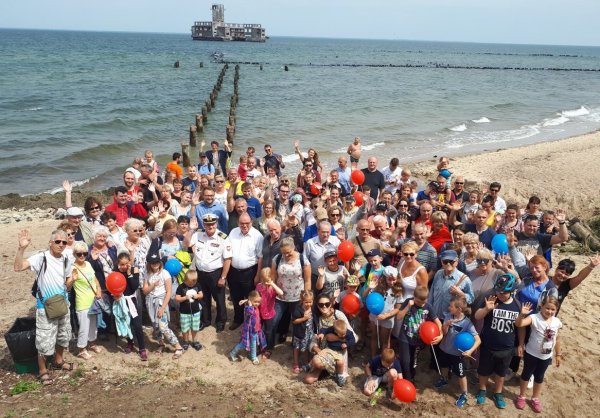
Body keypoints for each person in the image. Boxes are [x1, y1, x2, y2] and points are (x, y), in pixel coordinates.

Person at [14, 229, 75, 385]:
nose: (61, 245)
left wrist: (71, 281)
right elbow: (18, 267)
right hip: (44, 306)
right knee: (44, 339)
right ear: (50, 242)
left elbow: (67, 281)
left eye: (64, 242)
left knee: (63, 335)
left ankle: (58, 360)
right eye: (57, 242)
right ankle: (42, 370)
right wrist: (21, 248)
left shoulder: (67, 259)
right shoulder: (41, 258)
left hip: (62, 303)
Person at [473, 274, 521, 409]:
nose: (499, 294)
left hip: (507, 347)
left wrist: (520, 344)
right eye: (498, 290)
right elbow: (477, 316)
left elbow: (520, 327)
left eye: (503, 292)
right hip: (488, 344)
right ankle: (482, 389)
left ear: (511, 291)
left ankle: (498, 392)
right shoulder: (491, 300)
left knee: (501, 373)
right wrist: (486, 309)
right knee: (483, 371)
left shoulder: (517, 305)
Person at [515, 295, 562, 413]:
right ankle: (521, 396)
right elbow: (519, 324)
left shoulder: (557, 322)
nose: (550, 311)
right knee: (526, 375)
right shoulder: (534, 317)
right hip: (531, 354)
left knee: (539, 377)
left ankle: (535, 398)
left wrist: (558, 354)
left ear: (556, 310)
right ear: (541, 306)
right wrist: (522, 314)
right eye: (547, 308)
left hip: (546, 356)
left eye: (553, 309)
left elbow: (558, 338)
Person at [188, 213, 232, 333]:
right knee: (203, 298)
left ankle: (220, 321)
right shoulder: (197, 234)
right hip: (200, 273)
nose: (210, 226)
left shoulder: (222, 237)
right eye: (207, 224)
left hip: (216, 273)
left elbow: (228, 259)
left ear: (216, 223)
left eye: (212, 223)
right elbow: (186, 244)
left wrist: (223, 277)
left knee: (219, 299)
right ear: (203, 224)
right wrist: (191, 230)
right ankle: (206, 320)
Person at [434, 294, 481, 408]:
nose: (449, 308)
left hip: (457, 354)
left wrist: (470, 351)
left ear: (459, 309)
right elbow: (444, 333)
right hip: (445, 348)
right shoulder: (448, 316)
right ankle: (444, 379)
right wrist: (445, 325)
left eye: (451, 306)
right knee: (444, 365)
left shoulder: (467, 323)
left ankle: (464, 394)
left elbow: (478, 340)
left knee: (460, 374)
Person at [395, 286, 442, 381]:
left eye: (423, 302)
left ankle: (410, 376)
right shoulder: (408, 302)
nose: (421, 304)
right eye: (418, 302)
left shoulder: (428, 306)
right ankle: (407, 380)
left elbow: (438, 322)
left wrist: (441, 335)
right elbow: (398, 317)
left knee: (412, 360)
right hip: (405, 337)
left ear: (427, 299)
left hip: (418, 339)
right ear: (414, 297)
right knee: (405, 360)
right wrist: (408, 306)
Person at [142, 252, 184, 358]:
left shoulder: (165, 273)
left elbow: (169, 292)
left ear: (160, 262)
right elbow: (145, 291)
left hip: (161, 301)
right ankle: (161, 344)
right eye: (152, 262)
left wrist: (163, 307)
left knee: (163, 326)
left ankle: (178, 346)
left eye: (157, 262)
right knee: (155, 325)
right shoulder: (146, 273)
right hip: (150, 301)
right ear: (149, 263)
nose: (155, 264)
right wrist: (152, 285)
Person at [227, 214, 263, 330]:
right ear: (238, 223)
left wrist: (257, 275)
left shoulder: (257, 236)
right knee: (235, 296)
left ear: (251, 223)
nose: (244, 225)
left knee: (250, 298)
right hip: (233, 272)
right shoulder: (233, 232)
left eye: (247, 223)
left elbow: (260, 257)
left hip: (249, 272)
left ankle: (250, 322)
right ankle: (238, 319)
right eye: (242, 223)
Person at [272, 237, 311, 344]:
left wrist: (306, 297)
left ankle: (296, 342)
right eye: (283, 253)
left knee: (297, 321)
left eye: (288, 252)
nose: (286, 255)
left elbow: (307, 280)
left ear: (294, 247)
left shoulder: (303, 260)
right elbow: (273, 277)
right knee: (274, 320)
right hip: (280, 297)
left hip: (298, 297)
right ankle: (274, 340)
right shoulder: (277, 258)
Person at [70, 241, 103, 360]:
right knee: (84, 326)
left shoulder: (88, 264)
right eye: (79, 254)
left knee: (93, 325)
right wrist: (72, 280)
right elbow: (67, 286)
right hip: (82, 301)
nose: (82, 256)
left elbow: (95, 279)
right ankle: (81, 349)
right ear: (74, 254)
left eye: (84, 253)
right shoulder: (73, 268)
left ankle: (92, 343)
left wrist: (99, 289)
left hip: (93, 300)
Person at [363, 266, 403, 358]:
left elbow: (397, 308)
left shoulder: (397, 289)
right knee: (374, 337)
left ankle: (384, 361)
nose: (392, 282)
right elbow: (364, 296)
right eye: (389, 280)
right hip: (374, 316)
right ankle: (373, 358)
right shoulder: (377, 286)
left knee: (385, 340)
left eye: (394, 280)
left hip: (387, 319)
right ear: (384, 278)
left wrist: (386, 315)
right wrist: (369, 288)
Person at [115, 252, 147, 361]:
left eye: (126, 264)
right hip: (121, 301)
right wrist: (115, 296)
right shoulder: (115, 272)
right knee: (127, 324)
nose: (124, 267)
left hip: (132, 300)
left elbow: (134, 286)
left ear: (130, 262)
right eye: (122, 264)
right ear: (118, 263)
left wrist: (129, 273)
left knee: (137, 325)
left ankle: (142, 348)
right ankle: (130, 342)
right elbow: (113, 286)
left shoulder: (134, 270)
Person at [429, 250, 474, 321]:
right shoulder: (438, 273)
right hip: (435, 317)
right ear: (441, 262)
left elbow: (471, 299)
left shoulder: (464, 279)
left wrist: (461, 294)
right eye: (445, 261)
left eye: (451, 261)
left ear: (457, 261)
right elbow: (431, 295)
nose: (448, 264)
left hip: (451, 320)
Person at [311, 319, 356, 386]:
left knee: (340, 362)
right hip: (329, 348)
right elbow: (324, 329)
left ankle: (340, 375)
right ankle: (309, 365)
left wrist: (347, 344)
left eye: (344, 333)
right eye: (341, 334)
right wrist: (322, 334)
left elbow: (353, 340)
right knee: (321, 354)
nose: (344, 335)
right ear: (335, 331)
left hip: (339, 351)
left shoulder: (348, 333)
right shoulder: (332, 329)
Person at [228, 291, 266, 365]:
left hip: (255, 329)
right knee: (243, 343)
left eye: (259, 302)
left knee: (253, 343)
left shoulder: (255, 307)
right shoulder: (248, 308)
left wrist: (248, 300)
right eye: (255, 302)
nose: (257, 303)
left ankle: (253, 356)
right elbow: (250, 312)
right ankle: (233, 354)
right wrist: (249, 303)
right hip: (249, 331)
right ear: (250, 301)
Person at [255, 267, 284, 357]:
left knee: (269, 331)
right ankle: (261, 346)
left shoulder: (272, 288)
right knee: (259, 330)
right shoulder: (259, 286)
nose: (265, 282)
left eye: (268, 279)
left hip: (269, 314)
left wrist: (272, 284)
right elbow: (256, 296)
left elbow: (281, 293)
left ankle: (269, 348)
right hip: (260, 313)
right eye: (263, 279)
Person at [174, 270, 203, 351]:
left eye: (193, 283)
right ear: (185, 280)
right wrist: (185, 298)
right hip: (184, 313)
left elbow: (201, 294)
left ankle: (195, 341)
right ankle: (186, 341)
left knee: (195, 328)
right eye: (189, 283)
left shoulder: (197, 285)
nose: (191, 285)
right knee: (185, 328)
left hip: (196, 312)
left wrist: (197, 296)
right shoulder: (181, 287)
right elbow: (177, 298)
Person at [291, 290, 315, 373]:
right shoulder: (298, 309)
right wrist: (304, 318)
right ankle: (296, 363)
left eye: (310, 302)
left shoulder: (313, 308)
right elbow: (294, 321)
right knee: (297, 348)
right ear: (302, 301)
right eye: (306, 302)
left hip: (309, 332)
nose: (308, 304)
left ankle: (306, 363)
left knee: (306, 348)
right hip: (299, 332)